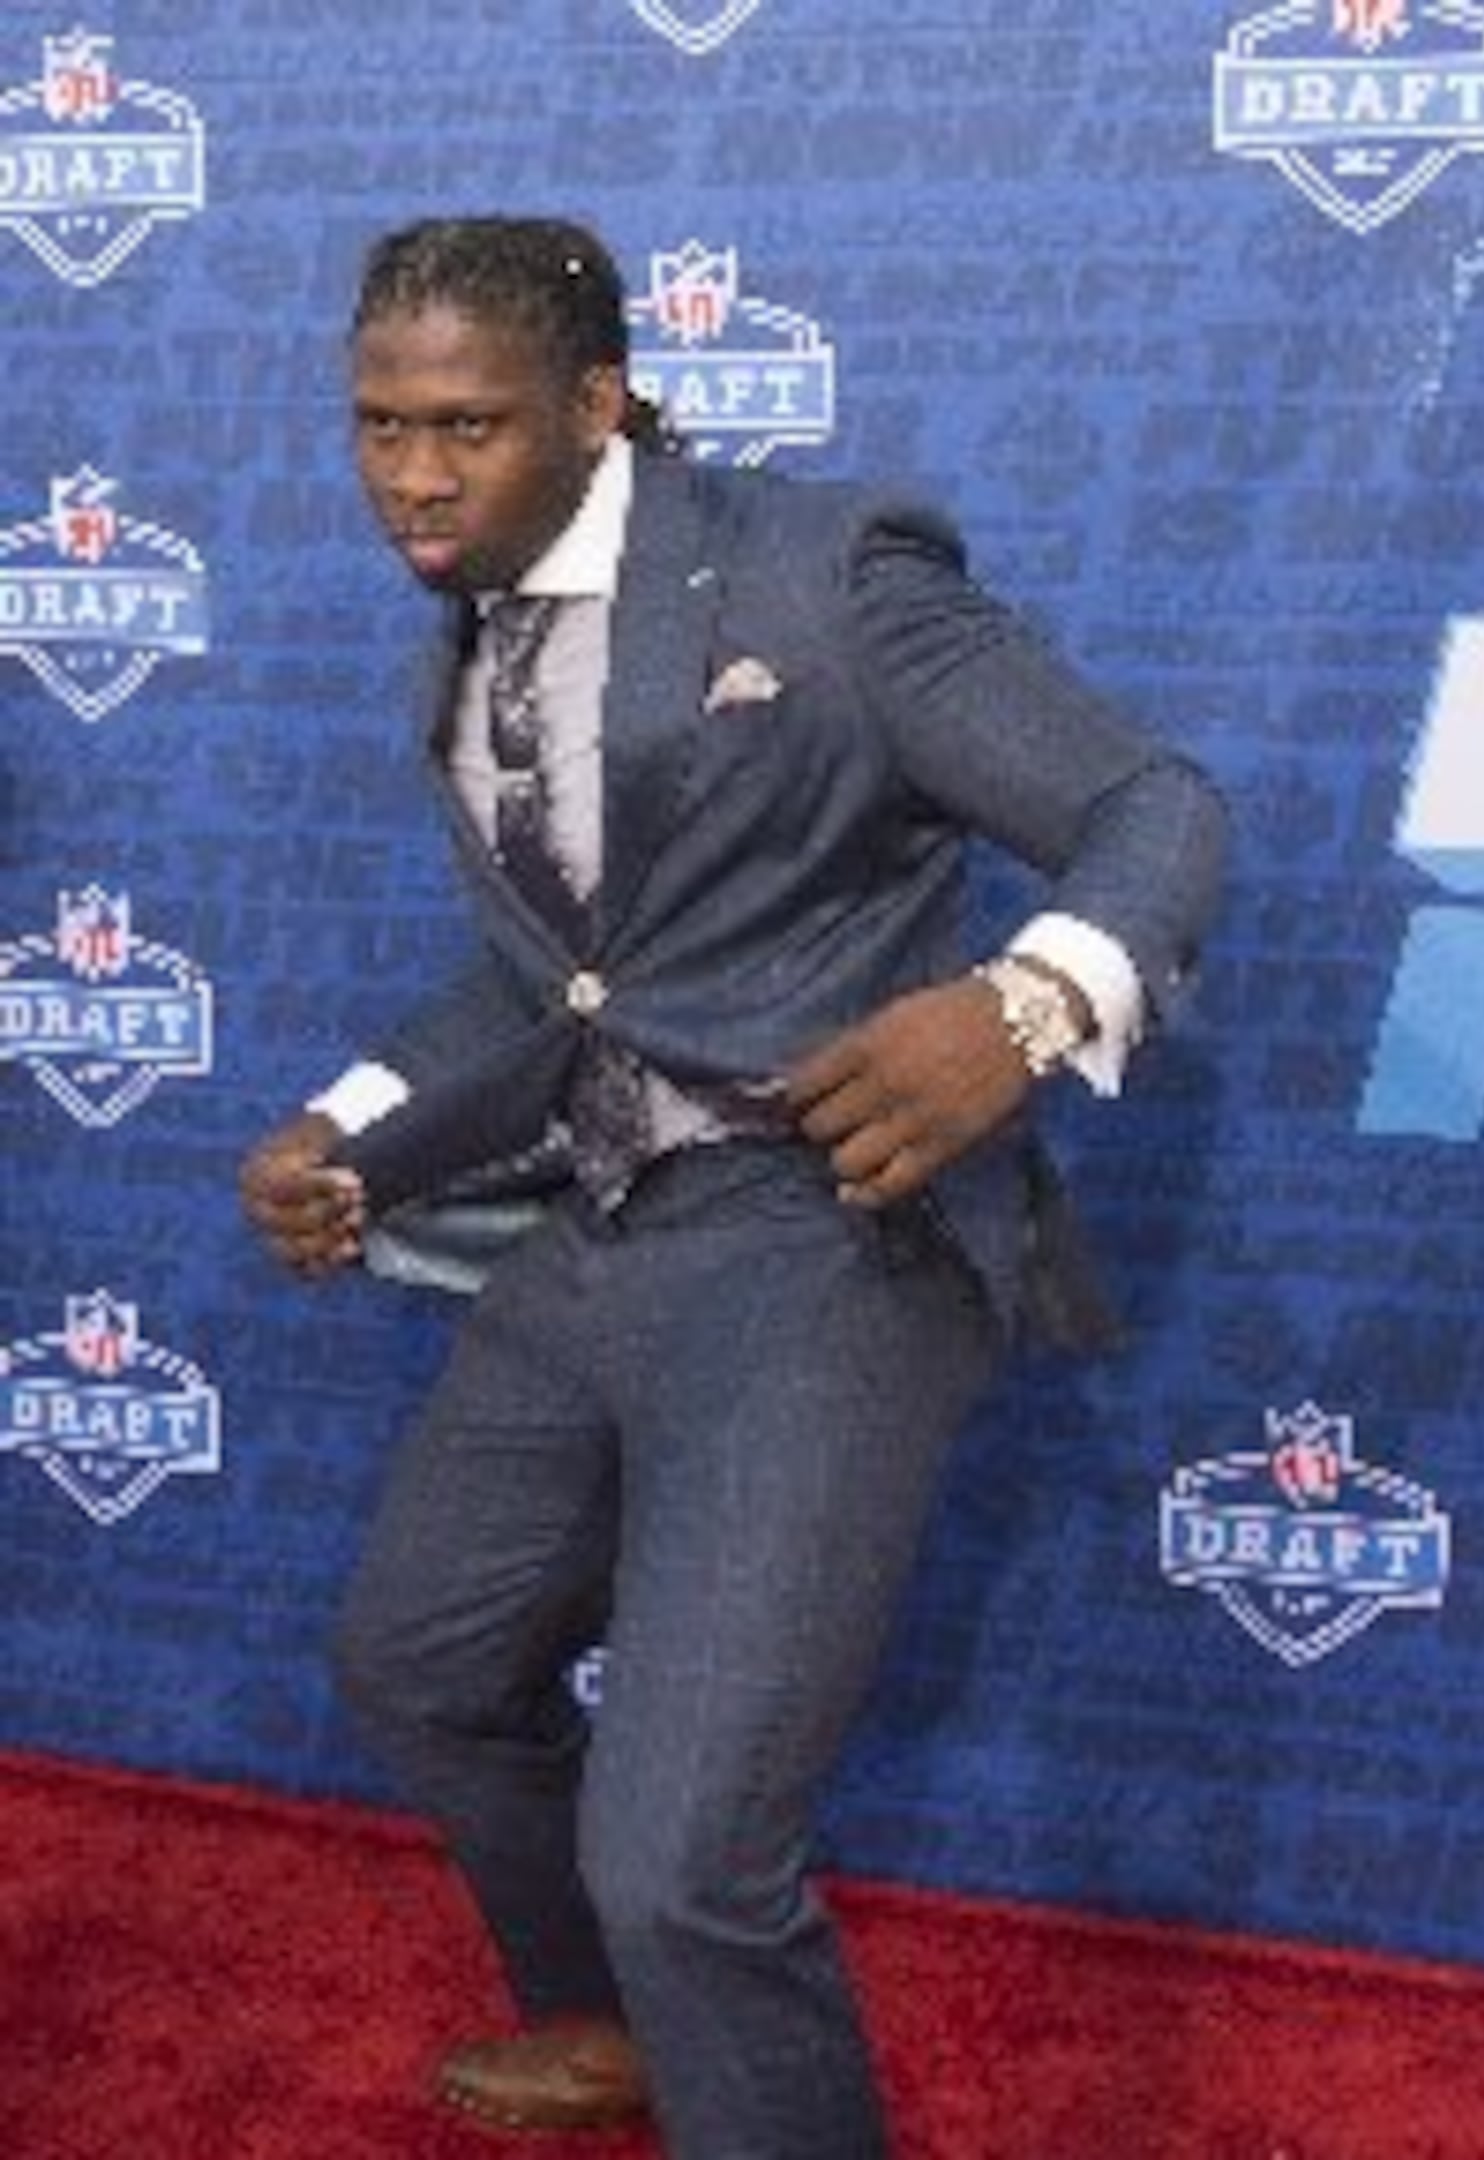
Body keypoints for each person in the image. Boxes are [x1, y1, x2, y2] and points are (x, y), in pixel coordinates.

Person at [236, 215, 1226, 2156]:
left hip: (827, 1254)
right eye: (378, 424)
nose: (415, 475)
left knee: (685, 1852)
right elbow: (564, 982)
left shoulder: (824, 572)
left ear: (597, 406)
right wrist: (355, 1120)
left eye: (467, 425)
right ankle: (620, 2031)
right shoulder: (479, 617)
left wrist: (1017, 1010)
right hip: (594, 1239)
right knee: (422, 1662)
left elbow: (1155, 807)